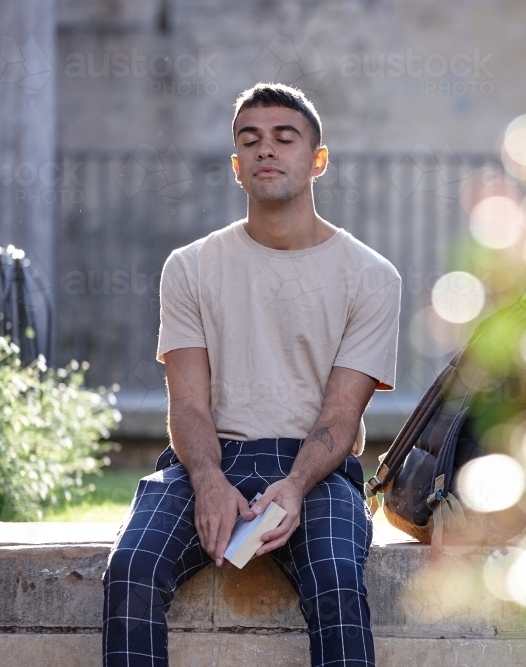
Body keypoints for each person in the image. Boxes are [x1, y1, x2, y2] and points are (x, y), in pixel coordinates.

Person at [102, 82, 401, 667]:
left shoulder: (371, 276)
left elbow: (341, 417)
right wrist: (209, 478)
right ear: (236, 166)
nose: (266, 150)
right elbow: (187, 406)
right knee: (131, 569)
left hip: (314, 469)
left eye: (284, 138)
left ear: (317, 160)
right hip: (211, 460)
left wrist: (292, 486)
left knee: (338, 582)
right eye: (251, 141)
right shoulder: (189, 267)